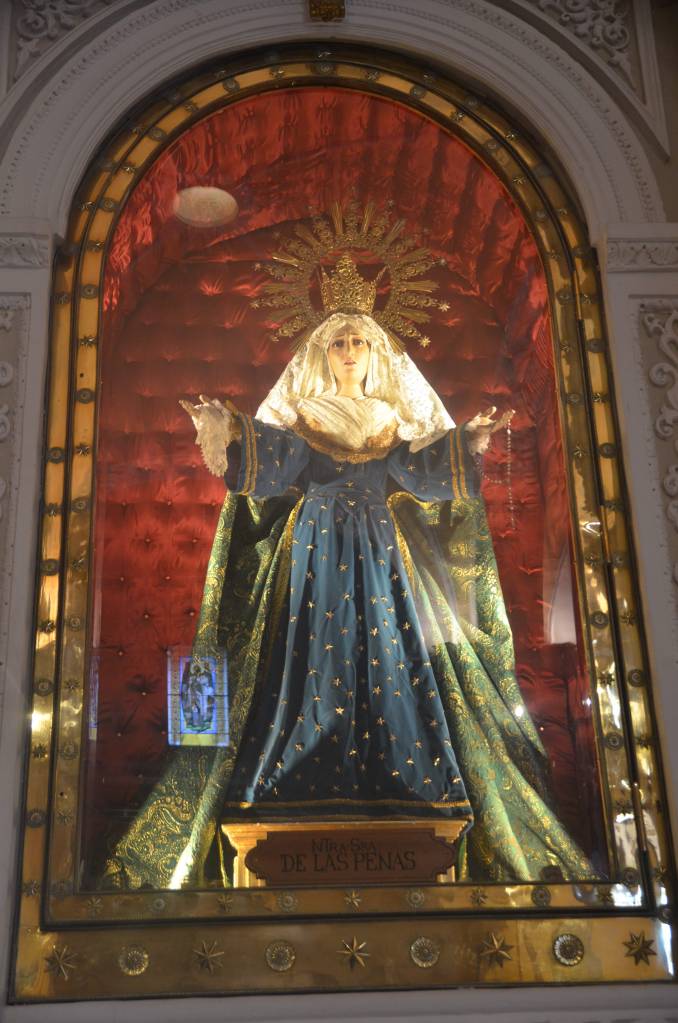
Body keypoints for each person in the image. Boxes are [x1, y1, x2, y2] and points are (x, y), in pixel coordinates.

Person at [104, 267, 593, 890]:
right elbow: (272, 462)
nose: (349, 352)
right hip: (313, 548)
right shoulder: (306, 414)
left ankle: (402, 778)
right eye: (338, 342)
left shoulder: (389, 416)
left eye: (359, 341)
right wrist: (227, 430)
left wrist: (467, 440)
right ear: (322, 353)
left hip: (382, 552)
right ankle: (295, 774)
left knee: (388, 650)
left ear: (375, 351)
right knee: (310, 654)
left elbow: (418, 470)